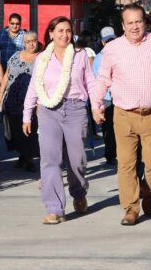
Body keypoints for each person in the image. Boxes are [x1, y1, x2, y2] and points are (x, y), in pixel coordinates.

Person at [96, 4, 151, 226]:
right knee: (126, 164)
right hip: (123, 115)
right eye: (130, 23)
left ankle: (147, 190)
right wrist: (97, 106)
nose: (135, 26)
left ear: (145, 22)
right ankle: (131, 209)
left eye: (138, 21)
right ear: (123, 25)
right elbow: (103, 78)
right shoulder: (112, 49)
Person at [23, 17, 102, 225]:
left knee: (77, 160)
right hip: (48, 111)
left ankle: (79, 192)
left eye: (68, 31)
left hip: (75, 110)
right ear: (50, 33)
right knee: (50, 159)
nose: (64, 35)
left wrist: (96, 107)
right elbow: (34, 86)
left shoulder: (80, 55)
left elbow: (91, 83)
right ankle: (54, 208)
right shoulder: (42, 58)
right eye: (59, 30)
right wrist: (27, 114)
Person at [0, 31, 40, 172]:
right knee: (16, 131)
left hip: (32, 103)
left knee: (30, 131)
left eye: (33, 40)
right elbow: (7, 76)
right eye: (28, 41)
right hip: (13, 101)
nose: (31, 44)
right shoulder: (15, 56)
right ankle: (23, 155)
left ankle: (29, 160)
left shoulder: (42, 58)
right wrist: (0, 94)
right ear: (24, 43)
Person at [93, 26, 118, 165]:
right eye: (107, 41)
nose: (110, 43)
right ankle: (110, 155)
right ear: (103, 42)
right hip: (107, 99)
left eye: (112, 40)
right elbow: (98, 81)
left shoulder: (121, 54)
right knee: (108, 129)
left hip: (121, 97)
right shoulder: (98, 59)